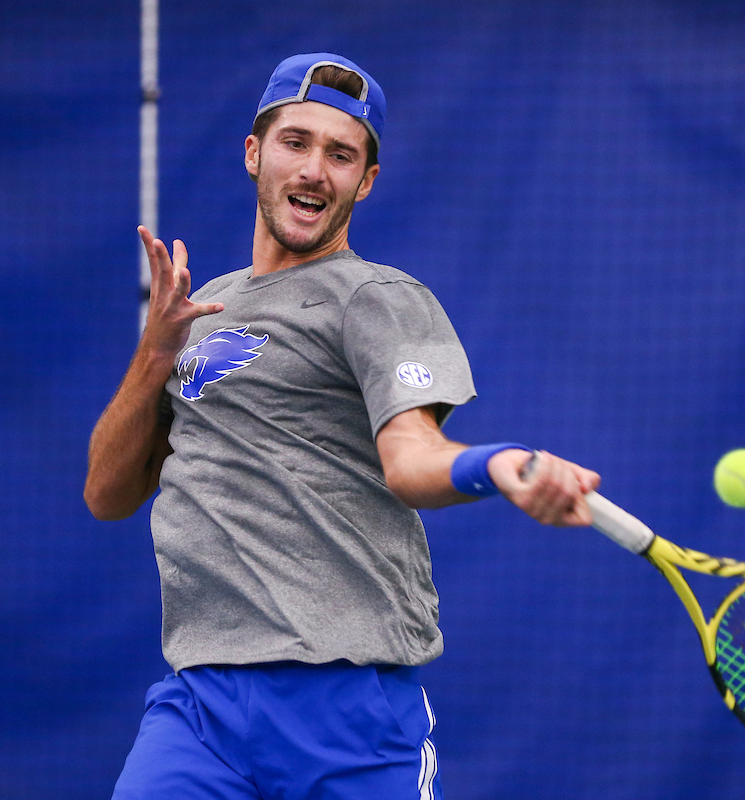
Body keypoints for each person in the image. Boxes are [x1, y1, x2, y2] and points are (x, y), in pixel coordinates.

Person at [84, 53, 599, 800]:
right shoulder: (202, 311)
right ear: (254, 153)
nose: (314, 170)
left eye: (340, 154)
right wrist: (156, 351)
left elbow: (411, 457)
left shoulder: (377, 298)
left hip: (347, 710)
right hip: (199, 708)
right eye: (295, 143)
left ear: (366, 180)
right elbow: (106, 493)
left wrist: (498, 466)